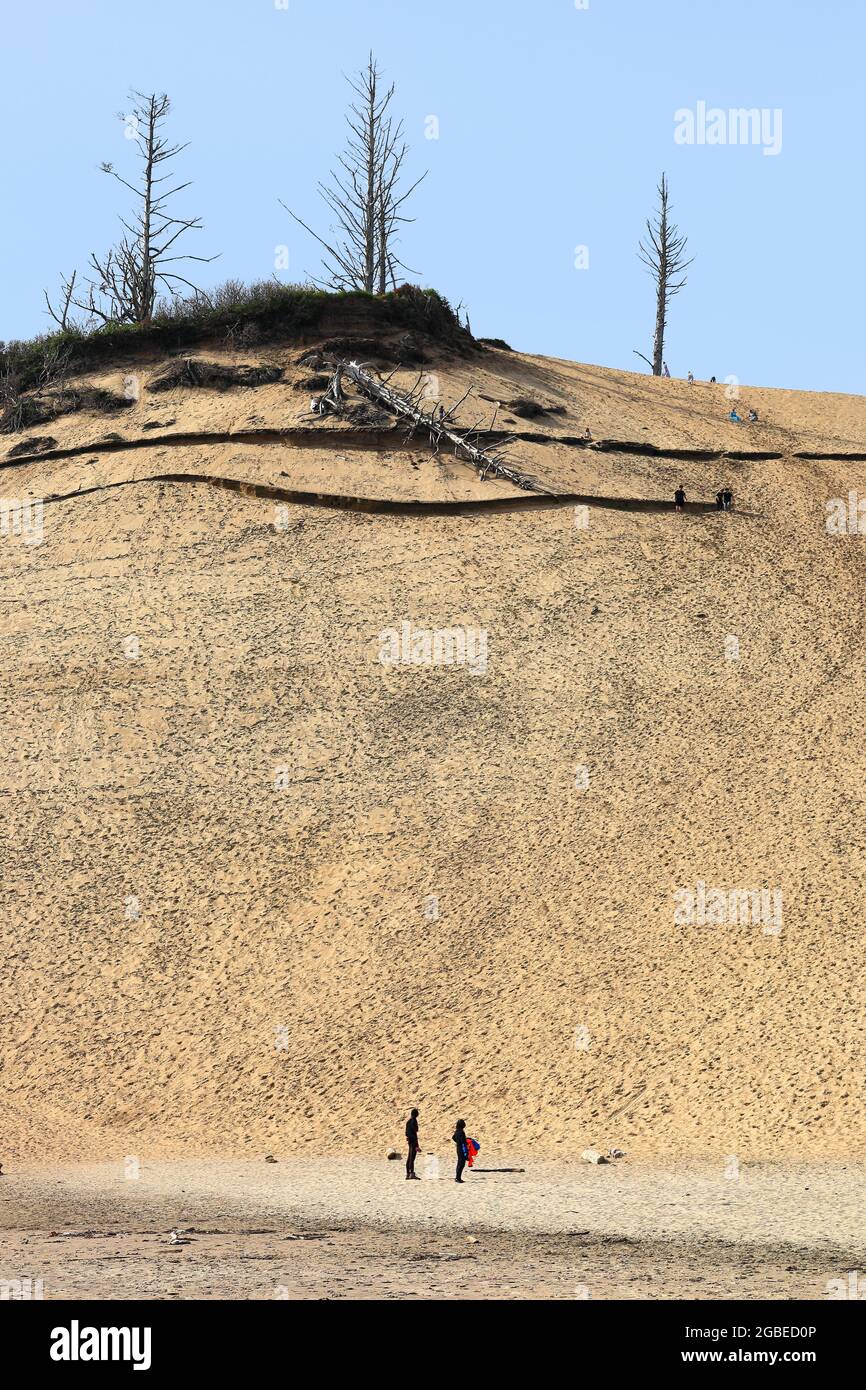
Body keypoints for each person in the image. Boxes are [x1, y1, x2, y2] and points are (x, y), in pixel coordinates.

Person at [405, 1108, 420, 1180]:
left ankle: (408, 1173)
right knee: (412, 1158)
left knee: (409, 1157)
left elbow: (406, 1133)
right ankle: (411, 1173)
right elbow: (416, 1130)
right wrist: (417, 1145)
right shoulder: (414, 1121)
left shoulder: (408, 1122)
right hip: (413, 1141)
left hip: (410, 1141)